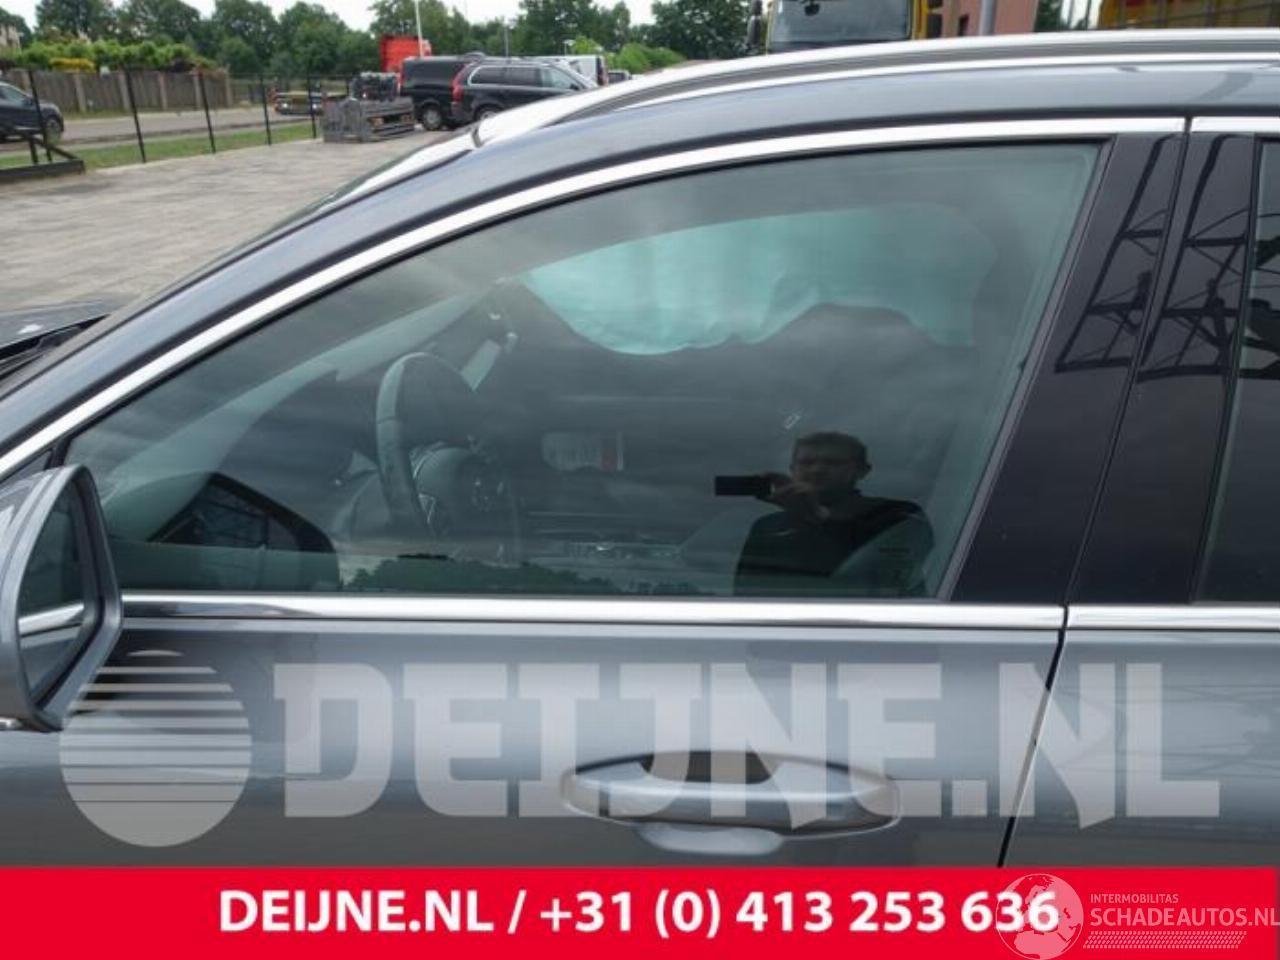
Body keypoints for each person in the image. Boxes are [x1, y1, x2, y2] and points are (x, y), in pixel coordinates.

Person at [734, 432, 932, 595]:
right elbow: (745, 591)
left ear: (862, 470)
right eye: (806, 462)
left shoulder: (897, 516)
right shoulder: (767, 527)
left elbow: (885, 581)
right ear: (792, 470)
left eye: (832, 462)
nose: (817, 470)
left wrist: (818, 517)